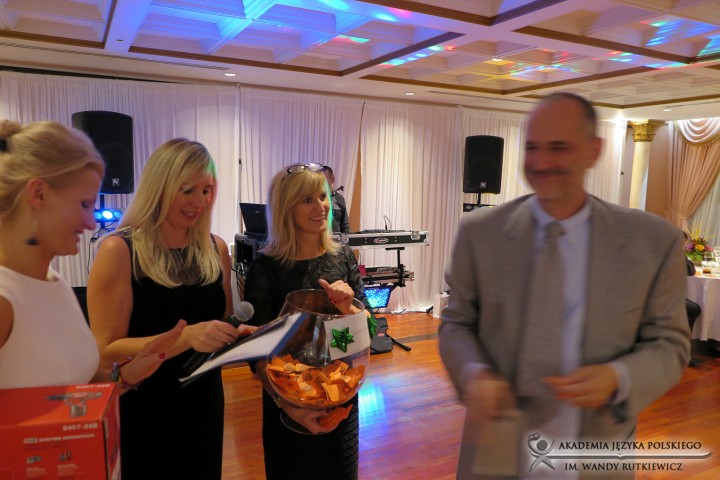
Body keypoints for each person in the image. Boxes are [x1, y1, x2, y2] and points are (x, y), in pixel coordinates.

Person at [439, 93, 690, 478]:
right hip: (496, 449)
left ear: (594, 151)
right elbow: (457, 322)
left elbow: (670, 344)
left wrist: (619, 377)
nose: (541, 162)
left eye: (558, 148)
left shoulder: (652, 243)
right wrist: (474, 373)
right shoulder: (480, 233)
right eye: (532, 147)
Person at [88, 138, 253, 480]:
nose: (200, 202)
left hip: (204, 401)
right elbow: (105, 353)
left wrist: (240, 336)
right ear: (159, 188)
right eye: (187, 190)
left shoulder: (215, 249)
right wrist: (186, 337)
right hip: (144, 406)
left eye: (207, 190)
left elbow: (219, 323)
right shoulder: (120, 251)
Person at [0, 119, 183, 391]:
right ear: (38, 195)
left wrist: (128, 373)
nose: (91, 223)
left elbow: (75, 389)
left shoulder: (54, 282)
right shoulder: (4, 298)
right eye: (85, 204)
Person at [244, 162, 370, 480]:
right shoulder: (265, 268)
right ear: (286, 207)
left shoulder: (342, 256)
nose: (321, 207)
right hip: (288, 406)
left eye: (323, 196)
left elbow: (369, 331)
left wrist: (348, 311)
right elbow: (258, 352)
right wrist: (290, 406)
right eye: (307, 200)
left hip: (340, 400)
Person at [322, 165, 351, 233]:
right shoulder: (315, 199)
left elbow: (345, 226)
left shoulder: (340, 199)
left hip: (336, 239)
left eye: (324, 181)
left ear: (332, 180)